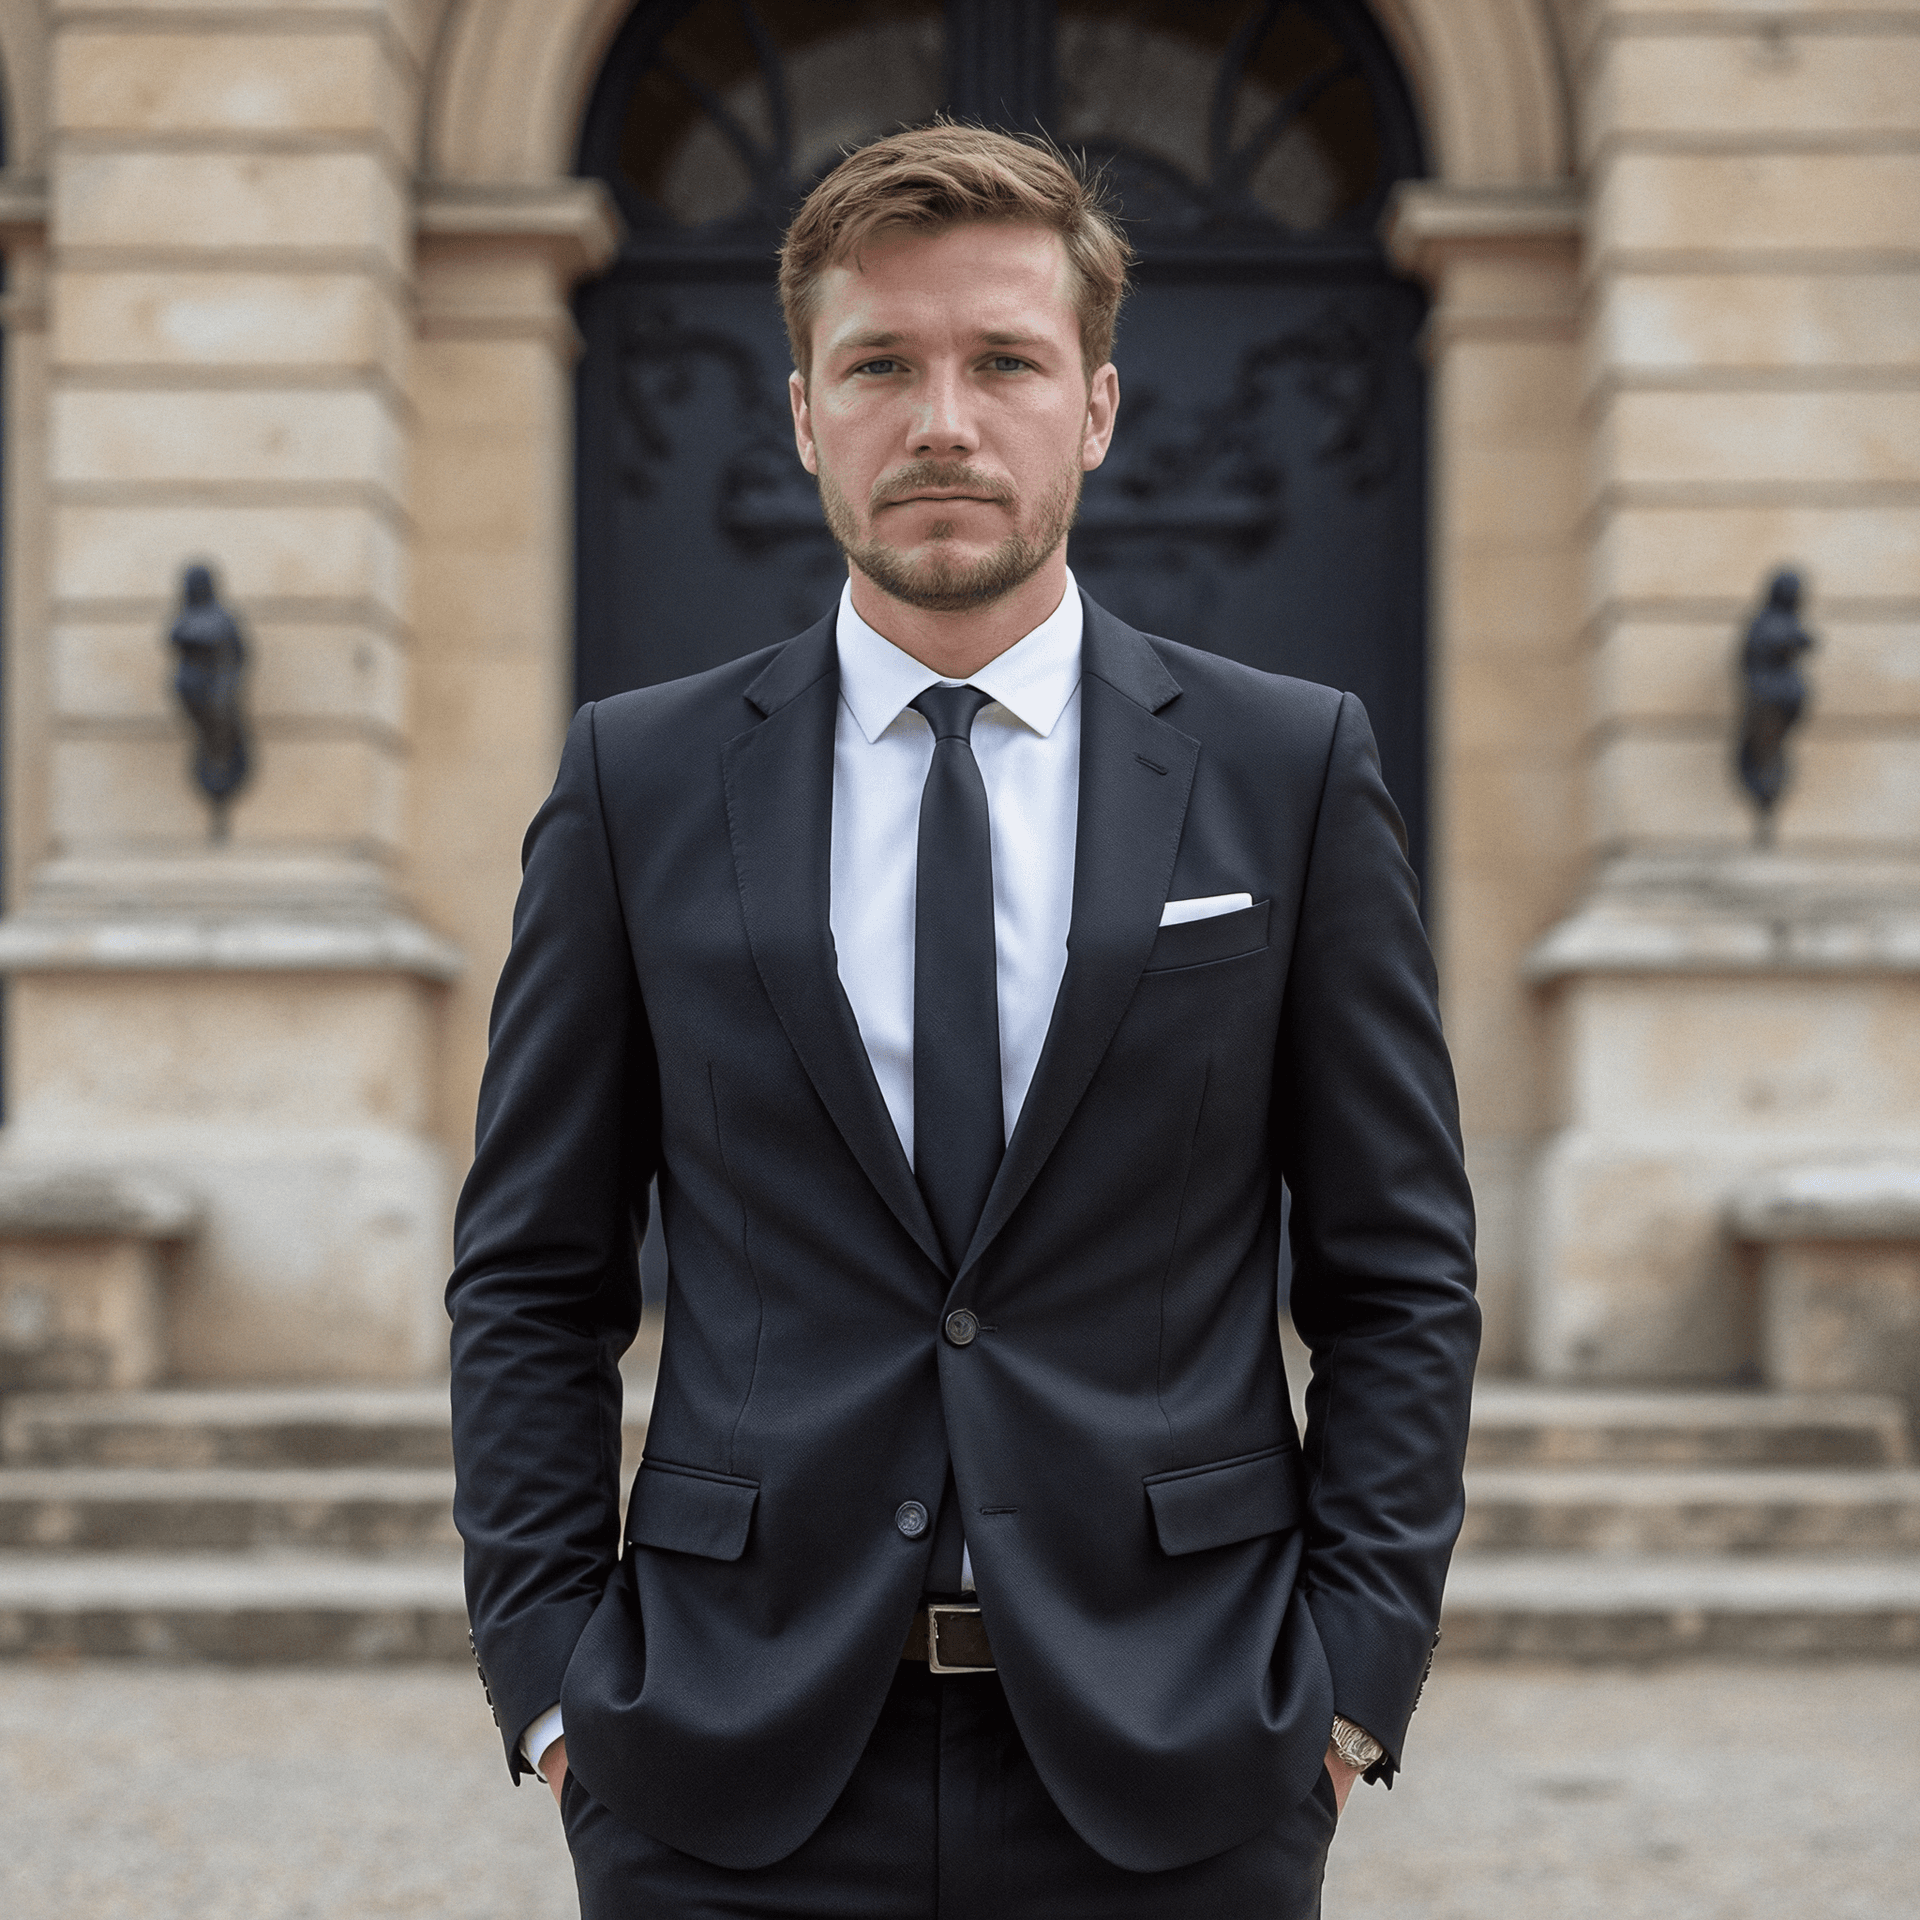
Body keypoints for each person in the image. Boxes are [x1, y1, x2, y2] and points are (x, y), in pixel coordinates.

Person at [449, 123, 1479, 1919]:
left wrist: (1347, 1688)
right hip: (722, 1770)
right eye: (881, 367)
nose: (942, 420)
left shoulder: (1287, 768)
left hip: (1182, 1766)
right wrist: (552, 1687)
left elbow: (1398, 1271)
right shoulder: (641, 779)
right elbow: (536, 1271)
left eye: (1002, 361)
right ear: (802, 412)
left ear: (1093, 406)